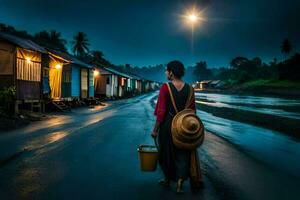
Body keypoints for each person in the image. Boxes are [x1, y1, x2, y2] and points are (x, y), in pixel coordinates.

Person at [151, 60, 203, 193]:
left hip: (168, 125)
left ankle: (168, 179)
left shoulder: (165, 87)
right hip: (184, 126)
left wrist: (155, 129)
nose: (165, 73)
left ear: (171, 72)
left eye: (167, 70)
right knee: (183, 153)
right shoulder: (190, 89)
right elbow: (192, 112)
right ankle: (180, 183)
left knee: (166, 153)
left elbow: (161, 111)